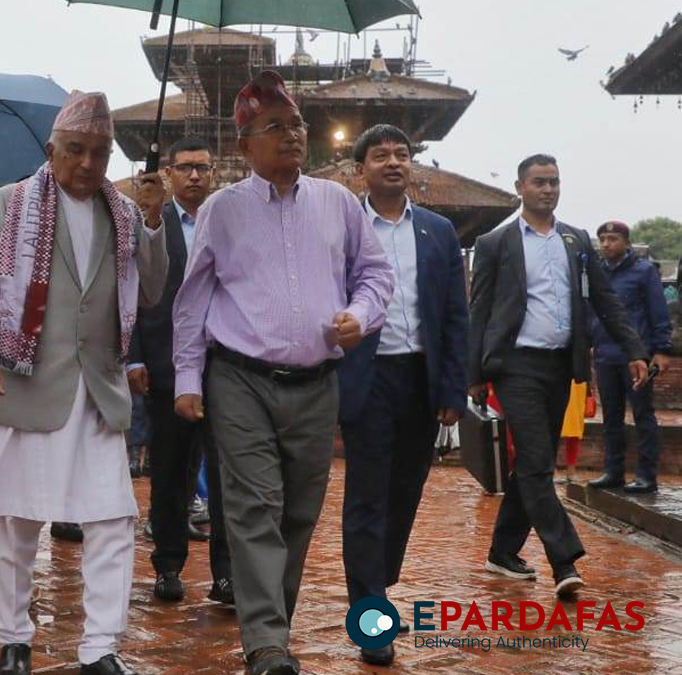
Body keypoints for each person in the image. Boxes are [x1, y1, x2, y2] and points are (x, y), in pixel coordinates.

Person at [172, 71, 393, 675]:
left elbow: (375, 275)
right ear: (245, 145)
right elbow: (192, 302)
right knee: (253, 508)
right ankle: (267, 645)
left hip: (318, 384)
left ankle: (272, 622)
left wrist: (361, 314)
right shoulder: (221, 211)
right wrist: (188, 379)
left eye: (296, 124)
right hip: (239, 379)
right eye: (275, 127)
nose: (292, 135)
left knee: (298, 514)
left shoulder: (340, 204)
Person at [0, 90, 168, 675]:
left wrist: (153, 220)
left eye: (100, 154)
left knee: (111, 520)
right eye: (75, 151)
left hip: (98, 391)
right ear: (51, 149)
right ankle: (14, 639)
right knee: (19, 522)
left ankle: (101, 648)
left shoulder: (125, 214)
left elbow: (149, 291)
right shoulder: (9, 204)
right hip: (25, 383)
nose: (87, 164)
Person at [468, 154, 648, 600]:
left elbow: (605, 302)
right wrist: (472, 373)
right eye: (539, 182)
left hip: (560, 367)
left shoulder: (577, 242)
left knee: (532, 462)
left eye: (554, 182)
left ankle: (502, 552)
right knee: (536, 461)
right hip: (515, 366)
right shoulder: (497, 242)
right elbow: (479, 312)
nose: (548, 189)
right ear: (520, 187)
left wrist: (635, 350)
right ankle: (563, 559)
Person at [336, 124, 468, 667]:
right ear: (360, 169)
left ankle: (377, 576)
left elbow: (456, 315)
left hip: (421, 379)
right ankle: (372, 617)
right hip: (367, 377)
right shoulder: (344, 230)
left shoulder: (438, 231)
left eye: (402, 153)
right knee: (367, 496)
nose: (393, 161)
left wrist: (453, 387)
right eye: (380, 155)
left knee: (404, 493)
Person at [126, 136, 233, 606]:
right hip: (166, 366)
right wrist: (133, 356)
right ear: (167, 174)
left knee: (230, 478)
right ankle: (168, 565)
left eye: (203, 168)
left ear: (214, 174)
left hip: (227, 366)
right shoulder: (146, 224)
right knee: (170, 474)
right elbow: (127, 291)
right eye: (185, 167)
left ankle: (226, 575)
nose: (195, 176)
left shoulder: (231, 223)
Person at [587, 221, 671, 494]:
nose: (606, 244)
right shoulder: (596, 271)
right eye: (602, 239)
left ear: (626, 242)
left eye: (612, 239)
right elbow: (591, 310)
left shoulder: (643, 271)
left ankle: (647, 475)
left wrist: (661, 350)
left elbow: (658, 311)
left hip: (636, 356)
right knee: (610, 418)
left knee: (643, 415)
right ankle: (613, 471)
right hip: (605, 354)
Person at [556, 381, 589, 485]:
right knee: (552, 425)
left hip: (576, 380)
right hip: (554, 376)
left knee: (574, 428)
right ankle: (552, 470)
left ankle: (571, 471)